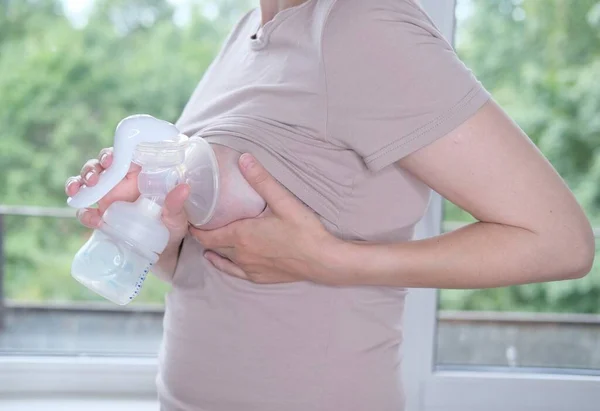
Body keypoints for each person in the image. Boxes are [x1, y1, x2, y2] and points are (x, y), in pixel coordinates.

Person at [65, 0, 596, 409]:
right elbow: (215, 272)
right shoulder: (246, 30)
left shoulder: (362, 27)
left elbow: (560, 242)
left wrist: (333, 261)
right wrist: (157, 223)